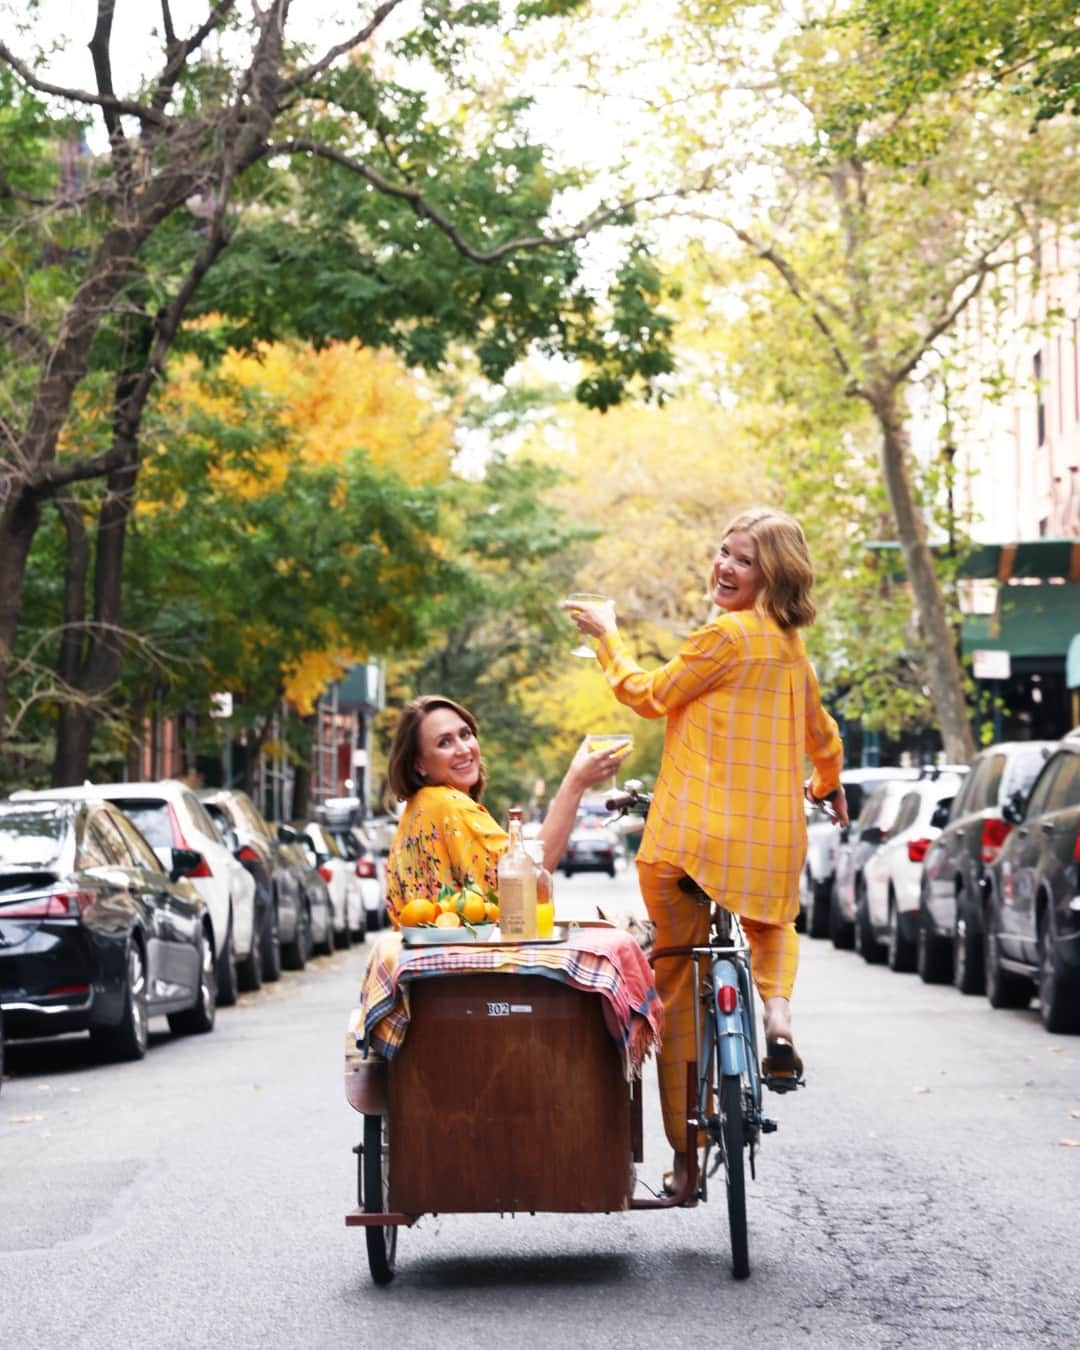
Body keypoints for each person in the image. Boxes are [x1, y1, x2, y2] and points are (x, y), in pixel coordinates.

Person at [566, 506, 849, 1188]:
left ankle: (687, 1164)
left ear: (771, 574)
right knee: (772, 924)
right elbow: (822, 733)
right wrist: (828, 784)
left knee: (677, 988)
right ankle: (776, 1017)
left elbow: (647, 695)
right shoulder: (791, 650)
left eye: (743, 559)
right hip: (768, 840)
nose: (724, 566)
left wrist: (607, 637)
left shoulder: (724, 637)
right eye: (723, 552)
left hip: (687, 843)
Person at [383, 694, 626, 924]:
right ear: (419, 763)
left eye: (465, 734)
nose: (463, 749)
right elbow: (525, 884)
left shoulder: (418, 808)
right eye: (444, 742)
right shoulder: (449, 806)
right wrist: (575, 783)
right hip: (465, 965)